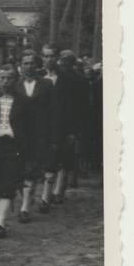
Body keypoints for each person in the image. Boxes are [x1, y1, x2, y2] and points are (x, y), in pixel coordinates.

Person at [0, 62, 29, 239]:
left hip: (13, 145)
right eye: (2, 78)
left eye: (9, 78)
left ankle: (1, 222)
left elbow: (29, 127)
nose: (5, 81)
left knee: (8, 183)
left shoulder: (24, 101)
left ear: (16, 80)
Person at [16, 49, 56, 222]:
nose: (29, 66)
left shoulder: (46, 84)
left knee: (40, 167)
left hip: (42, 132)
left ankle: (36, 202)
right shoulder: (16, 85)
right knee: (24, 169)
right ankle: (26, 202)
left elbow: (54, 110)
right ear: (20, 66)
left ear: (37, 64)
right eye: (25, 63)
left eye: (32, 63)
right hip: (22, 134)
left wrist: (53, 133)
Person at [49, 50, 87, 204]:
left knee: (65, 158)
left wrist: (76, 129)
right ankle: (51, 190)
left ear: (73, 63)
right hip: (55, 123)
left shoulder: (79, 80)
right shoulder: (55, 78)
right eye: (62, 61)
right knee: (53, 157)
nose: (63, 64)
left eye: (67, 61)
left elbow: (82, 106)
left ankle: (59, 191)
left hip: (70, 124)